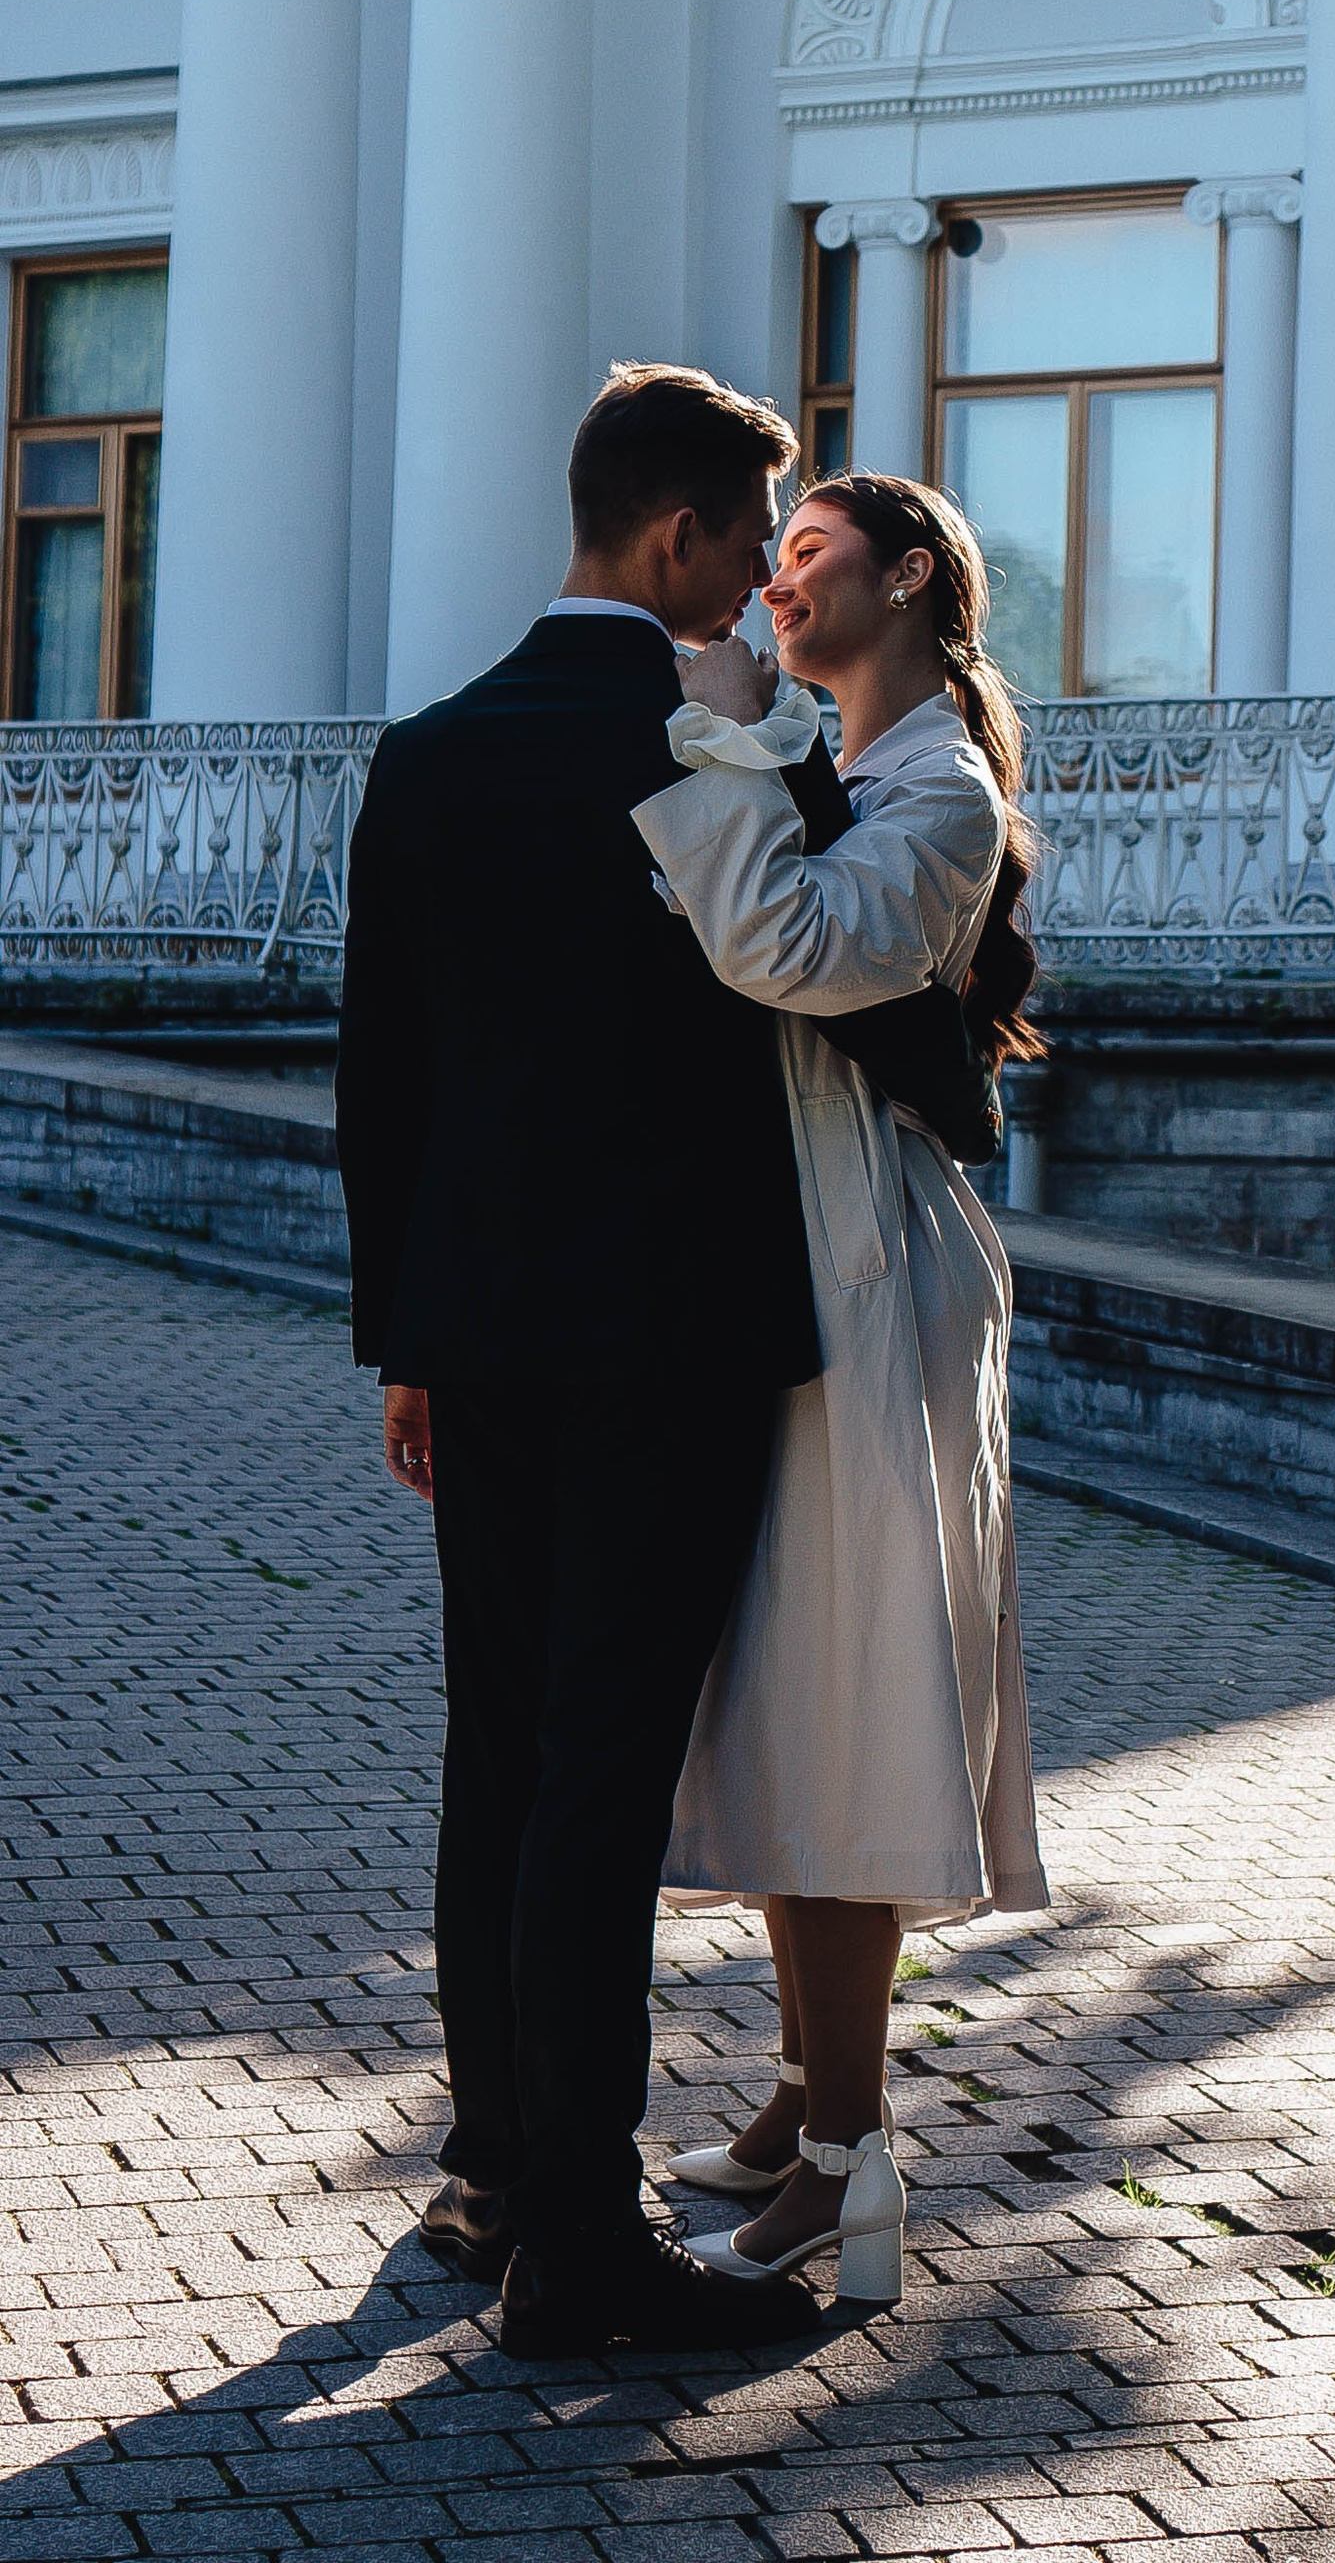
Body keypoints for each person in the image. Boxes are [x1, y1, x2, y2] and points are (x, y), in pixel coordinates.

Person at [336, 364, 826, 2359]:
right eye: (741, 551)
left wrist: (404, 1344)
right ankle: (585, 2245)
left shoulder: (433, 751)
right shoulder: (711, 749)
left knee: (498, 1753)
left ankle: (495, 2167)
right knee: (601, 1779)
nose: (751, 601)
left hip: (483, 1333)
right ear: (671, 537)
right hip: (676, 1343)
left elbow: (382, 1078)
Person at [628, 470, 1050, 2309]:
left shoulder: (941, 787)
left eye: (814, 556)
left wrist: (706, 765)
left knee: (848, 1690)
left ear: (911, 581)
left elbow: (793, 949)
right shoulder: (854, 767)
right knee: (806, 1681)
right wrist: (725, 726)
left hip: (871, 1279)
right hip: (813, 1264)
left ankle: (851, 2172)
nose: (780, 580)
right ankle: (816, 2084)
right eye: (770, 553)